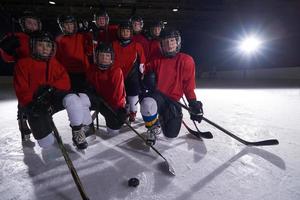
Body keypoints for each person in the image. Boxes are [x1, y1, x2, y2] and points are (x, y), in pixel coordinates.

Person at [13, 32, 92, 150]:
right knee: (46, 143)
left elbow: (65, 82)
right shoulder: (23, 64)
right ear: (33, 46)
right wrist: (32, 103)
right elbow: (21, 89)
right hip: (36, 105)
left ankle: (77, 131)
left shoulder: (54, 63)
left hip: (53, 99)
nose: (45, 49)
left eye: (48, 46)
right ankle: (36, 122)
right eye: (41, 45)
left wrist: (50, 88)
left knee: (73, 99)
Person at [140, 29, 203, 145]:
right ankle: (152, 127)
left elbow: (188, 86)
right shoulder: (155, 60)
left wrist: (193, 103)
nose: (169, 45)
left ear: (177, 42)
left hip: (173, 100)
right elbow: (143, 75)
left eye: (172, 41)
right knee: (147, 103)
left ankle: (165, 116)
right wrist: (146, 80)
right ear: (161, 44)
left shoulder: (186, 60)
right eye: (166, 42)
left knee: (170, 136)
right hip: (157, 97)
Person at [0, 11, 42, 141]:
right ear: (23, 24)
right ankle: (22, 121)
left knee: (41, 98)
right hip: (23, 75)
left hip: (40, 74)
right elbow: (8, 58)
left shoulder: (42, 38)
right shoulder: (16, 37)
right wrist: (7, 49)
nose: (32, 25)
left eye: (34, 23)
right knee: (24, 99)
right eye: (29, 22)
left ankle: (42, 119)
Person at [86, 42, 127, 135]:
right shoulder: (91, 69)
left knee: (114, 130)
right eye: (101, 55)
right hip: (97, 100)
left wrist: (118, 109)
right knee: (82, 101)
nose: (104, 58)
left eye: (107, 56)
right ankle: (87, 125)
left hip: (110, 104)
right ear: (97, 57)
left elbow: (117, 95)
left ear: (111, 58)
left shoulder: (116, 71)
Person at [112, 21, 146, 122]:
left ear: (131, 32)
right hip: (118, 75)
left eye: (127, 31)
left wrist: (142, 75)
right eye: (123, 31)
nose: (125, 33)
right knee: (121, 95)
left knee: (133, 94)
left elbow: (142, 62)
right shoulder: (113, 44)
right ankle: (124, 111)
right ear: (119, 32)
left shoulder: (137, 45)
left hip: (133, 75)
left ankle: (133, 112)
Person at [55, 14, 92, 93]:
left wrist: (88, 35)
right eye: (66, 24)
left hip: (83, 72)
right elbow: (57, 59)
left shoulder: (81, 36)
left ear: (74, 25)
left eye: (71, 24)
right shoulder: (59, 40)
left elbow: (90, 51)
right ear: (62, 26)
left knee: (84, 95)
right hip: (68, 73)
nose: (69, 27)